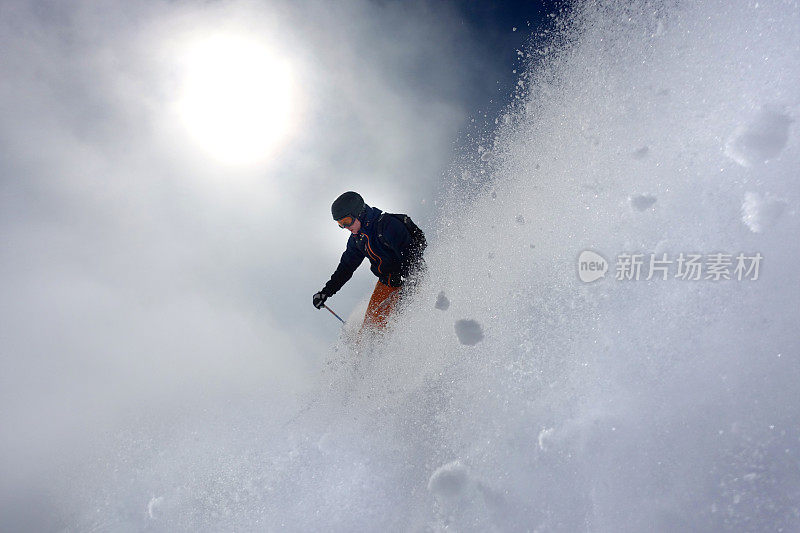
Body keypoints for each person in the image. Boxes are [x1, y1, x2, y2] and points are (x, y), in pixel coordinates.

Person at [312, 191, 426, 331]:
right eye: (340, 224)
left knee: (398, 323)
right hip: (387, 283)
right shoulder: (357, 240)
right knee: (369, 329)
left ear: (358, 213)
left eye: (347, 221)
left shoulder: (387, 225)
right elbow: (346, 268)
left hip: (411, 280)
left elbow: (413, 256)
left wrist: (409, 284)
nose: (345, 227)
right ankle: (369, 350)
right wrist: (326, 292)